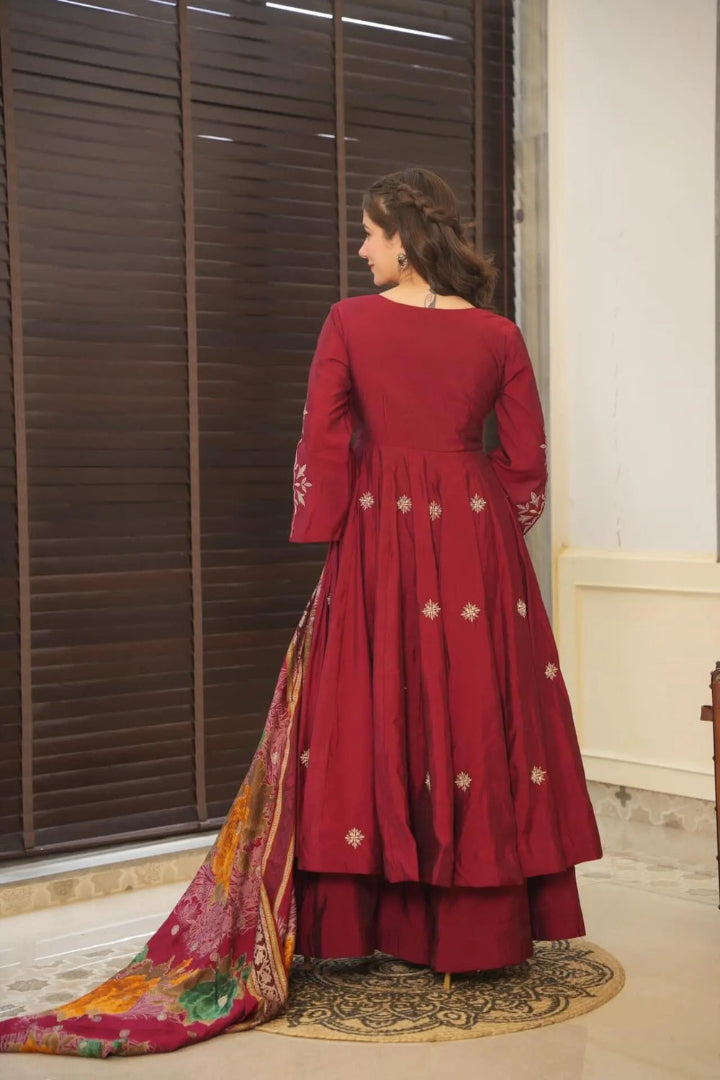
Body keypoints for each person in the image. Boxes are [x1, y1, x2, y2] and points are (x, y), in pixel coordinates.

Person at [0, 167, 602, 1059]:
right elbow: (526, 463)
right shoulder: (499, 334)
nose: (360, 249)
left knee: (368, 714)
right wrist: (485, 534)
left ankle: (364, 927)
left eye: (368, 233)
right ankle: (476, 934)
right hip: (479, 556)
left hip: (379, 546)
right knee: (474, 714)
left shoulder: (350, 323)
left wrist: (334, 531)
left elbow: (323, 437)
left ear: (403, 238)